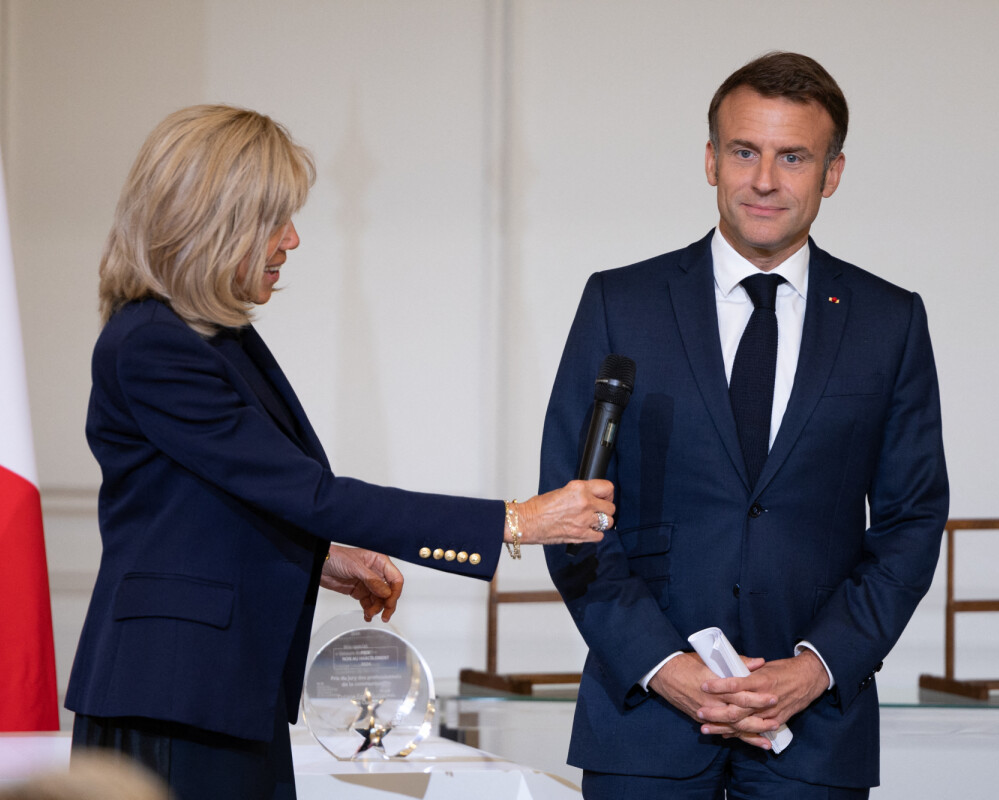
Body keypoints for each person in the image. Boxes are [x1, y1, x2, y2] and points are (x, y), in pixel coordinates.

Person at [64, 104, 615, 800]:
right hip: (175, 699)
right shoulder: (152, 344)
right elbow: (308, 492)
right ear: (211, 223)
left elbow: (213, 501)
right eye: (274, 221)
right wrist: (515, 521)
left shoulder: (208, 339)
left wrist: (319, 556)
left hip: (217, 691)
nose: (291, 239)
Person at [540, 52, 949, 797]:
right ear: (709, 161)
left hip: (817, 728)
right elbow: (570, 515)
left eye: (793, 157)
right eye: (744, 152)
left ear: (832, 173)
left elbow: (913, 521)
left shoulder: (889, 322)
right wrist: (665, 667)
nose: (765, 180)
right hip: (646, 720)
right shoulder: (618, 304)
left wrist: (818, 665)